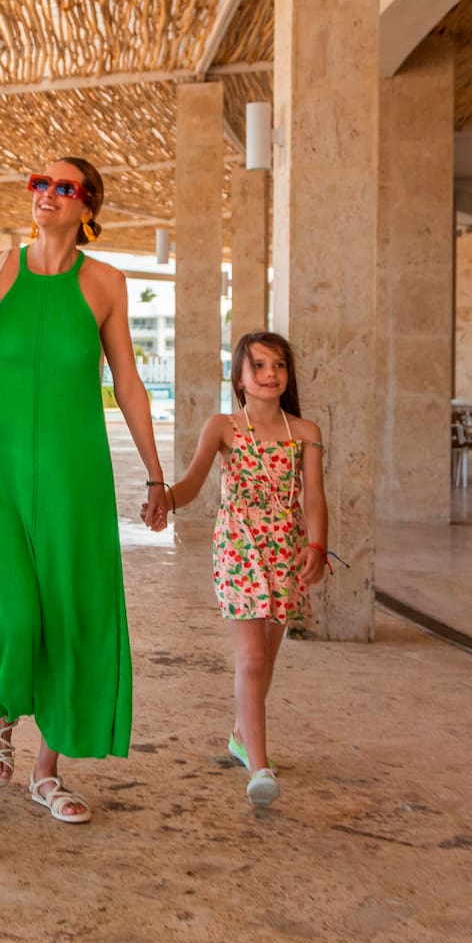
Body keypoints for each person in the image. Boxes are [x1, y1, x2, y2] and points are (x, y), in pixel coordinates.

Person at [0, 158, 169, 825]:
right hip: (1, 466)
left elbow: (127, 381)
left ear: (88, 205)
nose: (44, 195)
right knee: (13, 609)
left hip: (77, 473)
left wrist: (155, 474)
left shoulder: (105, 284)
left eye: (61, 187)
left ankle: (48, 770)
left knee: (72, 612)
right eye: (38, 183)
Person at [163, 331, 326, 808]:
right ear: (239, 377)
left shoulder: (306, 432)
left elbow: (314, 496)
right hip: (239, 549)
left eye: (278, 366)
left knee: (266, 659)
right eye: (258, 366)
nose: (270, 374)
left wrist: (318, 544)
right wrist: (164, 498)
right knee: (251, 660)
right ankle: (259, 766)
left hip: (287, 551)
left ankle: (240, 734)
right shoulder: (222, 427)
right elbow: (192, 482)